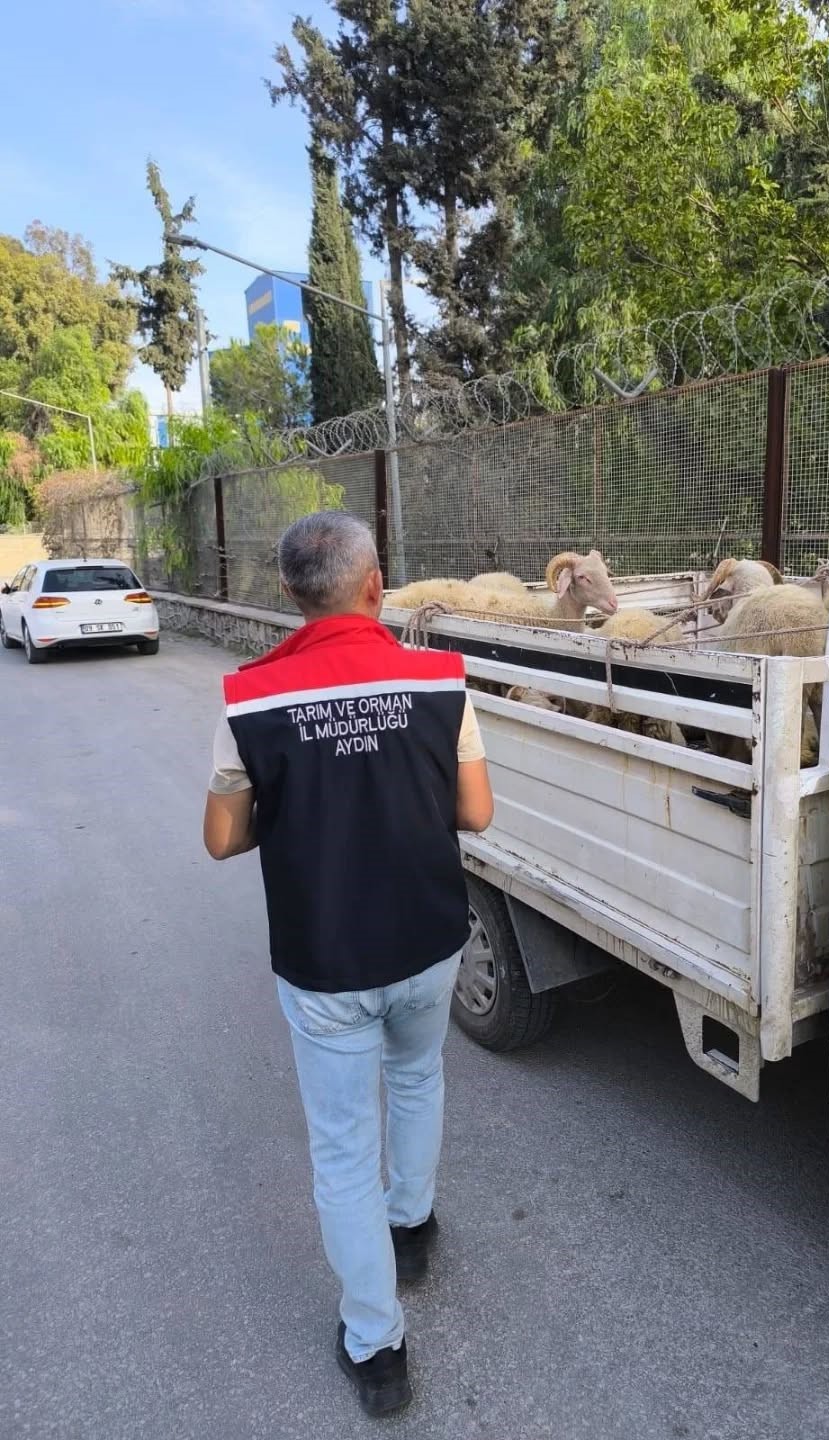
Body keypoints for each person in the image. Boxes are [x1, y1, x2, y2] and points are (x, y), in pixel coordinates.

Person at [202, 512, 494, 1417]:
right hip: (428, 939)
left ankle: (377, 1348)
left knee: (341, 1147)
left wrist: (295, 804)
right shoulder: (440, 680)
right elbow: (475, 813)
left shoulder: (250, 696)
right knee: (417, 1078)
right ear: (376, 584)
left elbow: (223, 838)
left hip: (324, 955)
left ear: (292, 595)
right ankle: (412, 1228)